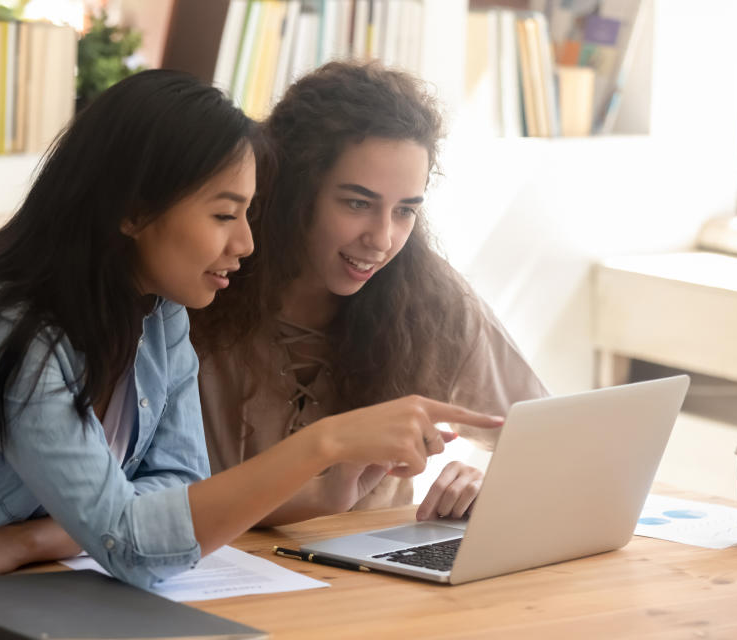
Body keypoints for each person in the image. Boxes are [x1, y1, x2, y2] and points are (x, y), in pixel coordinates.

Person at [0, 69, 501, 588]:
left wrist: (28, 543)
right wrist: (324, 443)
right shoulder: (13, 330)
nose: (245, 243)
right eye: (223, 215)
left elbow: (169, 498)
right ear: (133, 210)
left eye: (249, 215)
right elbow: (134, 543)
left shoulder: (161, 320)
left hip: (35, 591)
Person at [190, 61, 548, 525]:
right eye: (358, 203)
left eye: (404, 211)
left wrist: (490, 485)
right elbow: (146, 504)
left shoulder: (431, 301)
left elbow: (551, 439)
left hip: (372, 584)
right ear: (294, 188)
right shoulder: (202, 284)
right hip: (211, 575)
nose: (382, 239)